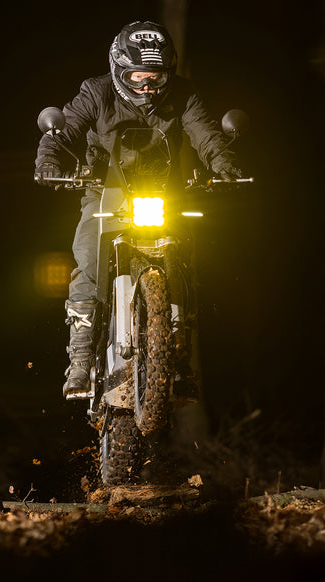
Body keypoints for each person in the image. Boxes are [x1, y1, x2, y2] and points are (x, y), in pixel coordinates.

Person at [34, 20, 243, 398]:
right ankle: (80, 360)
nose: (147, 87)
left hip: (164, 191)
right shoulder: (95, 91)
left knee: (185, 260)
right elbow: (65, 130)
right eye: (137, 78)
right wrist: (49, 160)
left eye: (156, 78)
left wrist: (223, 162)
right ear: (119, 70)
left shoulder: (183, 94)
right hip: (104, 190)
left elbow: (205, 132)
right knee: (87, 256)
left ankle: (178, 354)